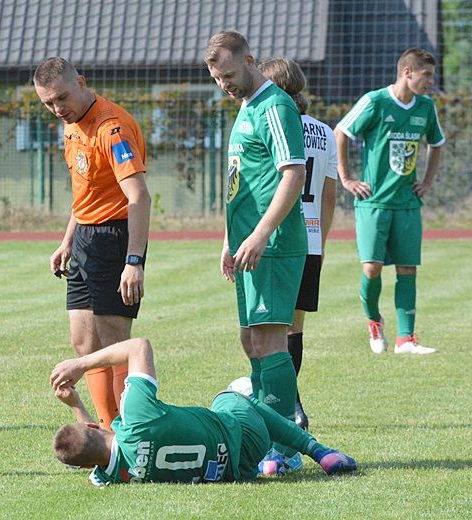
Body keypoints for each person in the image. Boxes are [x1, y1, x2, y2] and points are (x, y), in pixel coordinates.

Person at [49, 338, 357, 485]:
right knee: (231, 395)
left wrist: (77, 404)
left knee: (229, 409)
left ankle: (276, 460)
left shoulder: (111, 478)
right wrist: (80, 364)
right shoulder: (136, 415)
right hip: (247, 436)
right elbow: (139, 347)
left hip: (238, 472)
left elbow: (92, 451)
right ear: (92, 428)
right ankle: (317, 450)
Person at [204, 32, 307, 472]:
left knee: (268, 338)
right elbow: (241, 180)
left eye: (228, 74)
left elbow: (293, 174)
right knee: (251, 339)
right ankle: (271, 436)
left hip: (275, 244)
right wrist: (231, 238)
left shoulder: (275, 105)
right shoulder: (246, 107)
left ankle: (285, 445)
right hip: (247, 246)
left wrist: (262, 233)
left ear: (250, 60)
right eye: (216, 78)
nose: (223, 84)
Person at [33, 57, 151, 430]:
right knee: (84, 342)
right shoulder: (71, 127)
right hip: (84, 236)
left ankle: (129, 434)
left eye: (61, 98)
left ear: (81, 82)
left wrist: (134, 261)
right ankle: (105, 428)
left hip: (115, 237)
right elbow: (86, 192)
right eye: (48, 103)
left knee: (115, 343)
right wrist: (67, 240)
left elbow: (139, 198)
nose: (57, 109)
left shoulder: (111, 128)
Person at [334, 48, 445, 355]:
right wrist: (347, 179)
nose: (430, 82)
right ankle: (374, 321)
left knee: (408, 270)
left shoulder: (425, 107)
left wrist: (426, 182)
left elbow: (437, 145)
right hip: (374, 203)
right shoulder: (375, 102)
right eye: (426, 76)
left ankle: (405, 339)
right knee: (372, 268)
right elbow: (340, 132)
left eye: (431, 77)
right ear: (407, 72)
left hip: (407, 204)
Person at [258, 58, 338, 431]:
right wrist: (320, 236)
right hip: (312, 238)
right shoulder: (324, 132)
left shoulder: (272, 123)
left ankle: (284, 407)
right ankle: (295, 406)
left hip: (277, 238)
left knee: (268, 327)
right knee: (295, 328)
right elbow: (329, 195)